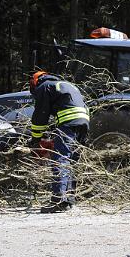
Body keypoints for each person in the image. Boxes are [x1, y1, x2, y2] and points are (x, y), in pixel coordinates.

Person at [28, 70, 90, 213]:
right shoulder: (66, 85)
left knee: (60, 159)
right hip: (84, 122)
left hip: (68, 123)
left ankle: (58, 200)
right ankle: (69, 199)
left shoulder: (45, 86)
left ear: (36, 82)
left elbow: (40, 116)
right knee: (71, 161)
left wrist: (35, 139)